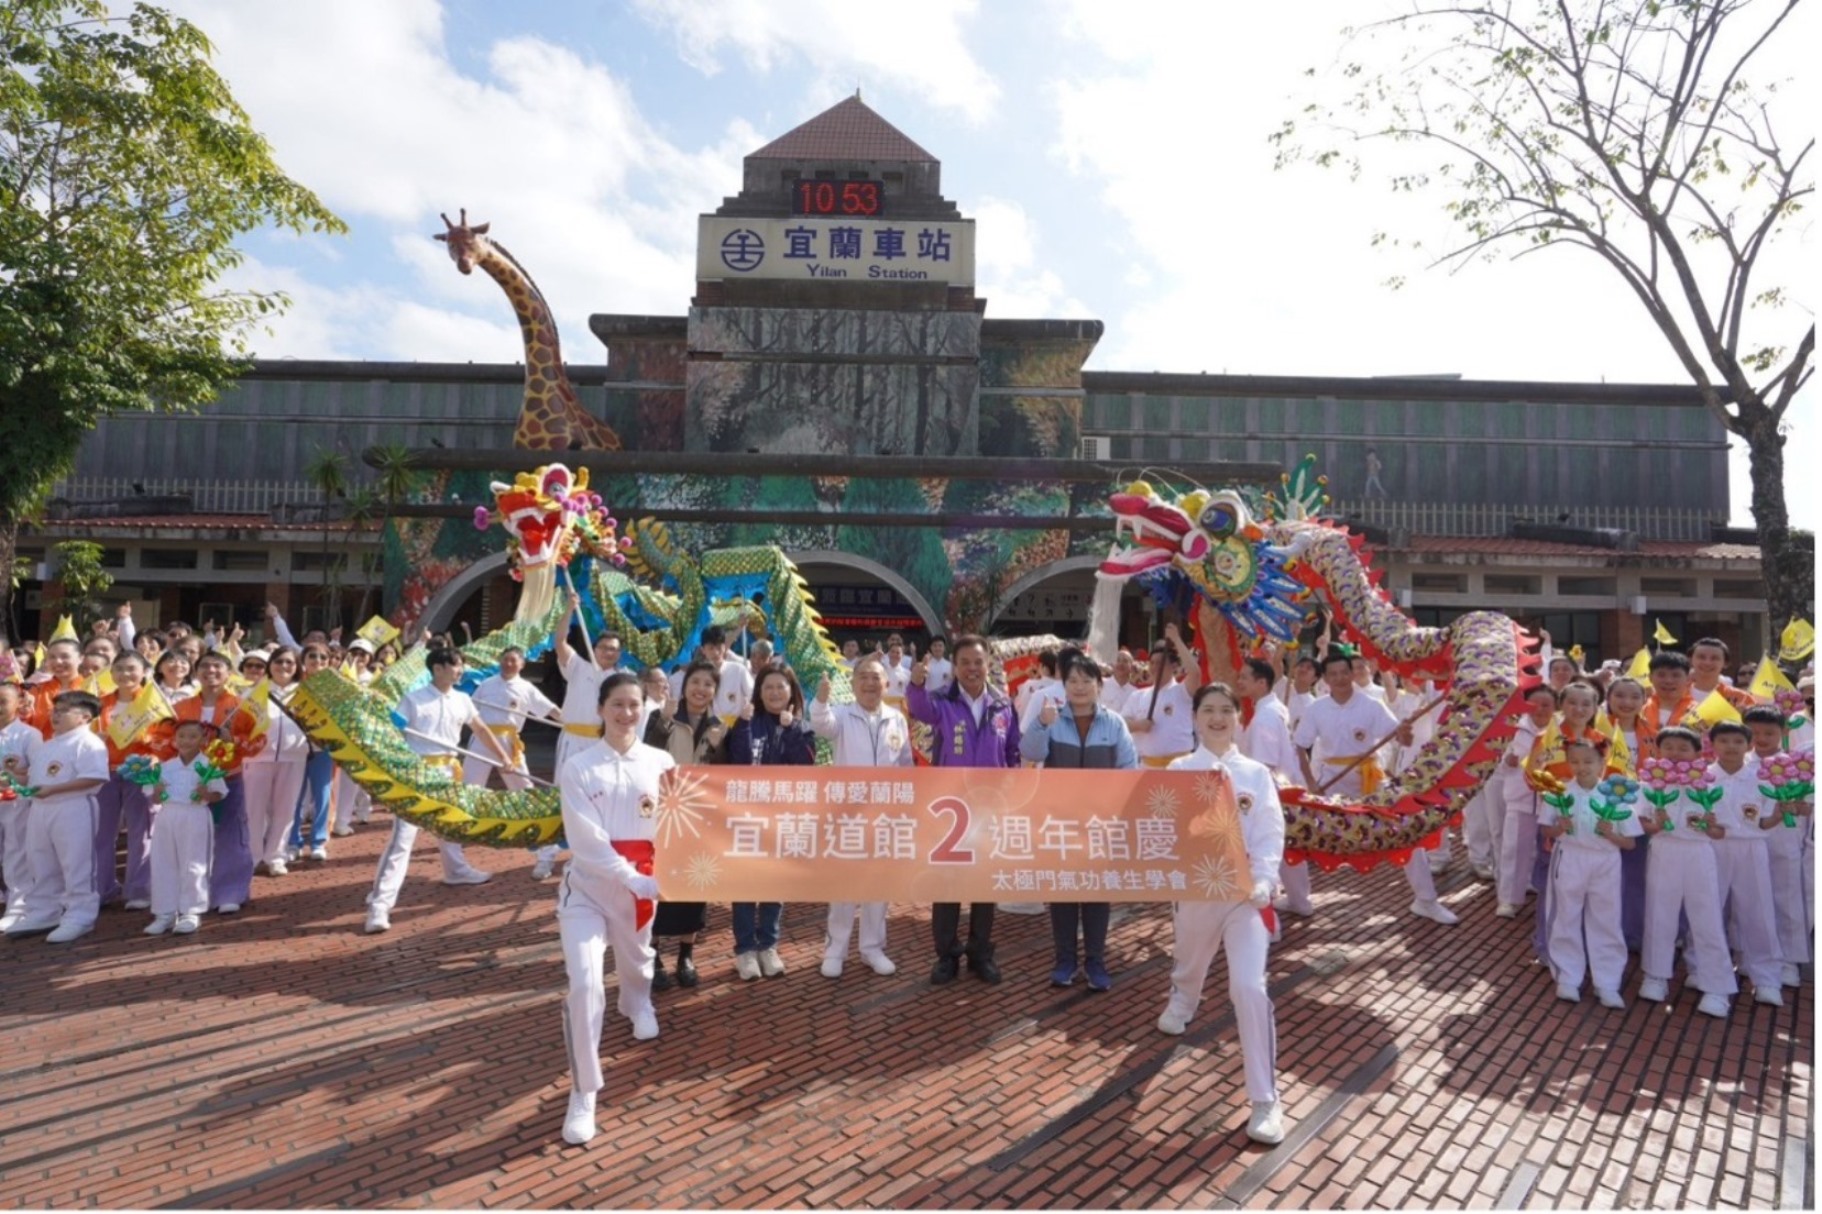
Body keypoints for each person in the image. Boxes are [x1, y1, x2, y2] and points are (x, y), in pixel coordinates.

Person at [1156, 683, 1287, 1146]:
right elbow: (1162, 826)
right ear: (1194, 717)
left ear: (1238, 718)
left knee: (1249, 987)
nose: (1217, 718)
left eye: (1226, 710)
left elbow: (1270, 830)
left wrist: (1264, 879)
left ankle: (1265, 1099)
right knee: (1191, 961)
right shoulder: (1178, 771)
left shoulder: (1256, 774)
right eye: (1208, 710)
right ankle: (1184, 998)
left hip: (1245, 896)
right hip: (1196, 892)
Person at [556, 672, 671, 1146]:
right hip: (587, 890)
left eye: (634, 705)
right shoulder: (579, 767)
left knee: (637, 962)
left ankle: (636, 1002)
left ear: (645, 708)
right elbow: (586, 841)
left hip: (639, 892)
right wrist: (631, 877)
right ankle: (584, 1091)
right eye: (617, 704)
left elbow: (680, 822)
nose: (626, 713)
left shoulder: (662, 763)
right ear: (601, 708)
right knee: (585, 986)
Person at [1288, 649, 1455, 925]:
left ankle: (1426, 901)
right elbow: (1300, 747)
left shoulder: (1371, 705)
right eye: (1333, 674)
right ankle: (1297, 900)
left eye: (1344, 672)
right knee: (1297, 832)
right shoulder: (1316, 709)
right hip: (1331, 783)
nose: (1340, 678)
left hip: (1371, 780)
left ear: (1352, 674)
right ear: (1325, 679)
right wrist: (1311, 783)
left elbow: (1400, 739)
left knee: (1406, 830)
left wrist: (1404, 732)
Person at [362, 648, 512, 934]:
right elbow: (391, 732)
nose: (460, 670)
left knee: (449, 826)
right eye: (455, 665)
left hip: (449, 772)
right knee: (402, 840)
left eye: (461, 665)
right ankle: (379, 905)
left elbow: (481, 729)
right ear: (438, 668)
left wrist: (503, 757)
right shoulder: (413, 699)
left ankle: (456, 871)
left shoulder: (462, 699)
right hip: (416, 774)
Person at [1020, 649, 1138, 990]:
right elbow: (1030, 752)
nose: (1080, 687)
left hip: (1100, 824)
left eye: (1087, 680)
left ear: (1099, 685)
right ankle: (1065, 961)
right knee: (1063, 892)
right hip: (1061, 823)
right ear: (1064, 686)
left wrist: (1115, 809)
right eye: (1072, 681)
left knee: (1097, 894)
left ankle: (1096, 962)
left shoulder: (1114, 724)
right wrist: (1042, 723)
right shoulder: (1052, 718)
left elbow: (1128, 769)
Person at [907, 634, 1021, 984]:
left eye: (978, 662)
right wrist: (916, 684)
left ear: (988, 665)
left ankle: (980, 952)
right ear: (954, 668)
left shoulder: (1003, 705)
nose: (972, 668)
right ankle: (947, 955)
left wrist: (1011, 789)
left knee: (985, 885)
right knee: (948, 885)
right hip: (951, 811)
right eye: (965, 663)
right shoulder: (942, 701)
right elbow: (919, 709)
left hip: (989, 809)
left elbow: (1012, 752)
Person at [808, 655, 908, 979]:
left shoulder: (897, 718)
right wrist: (821, 700)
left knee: (879, 885)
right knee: (844, 887)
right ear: (852, 684)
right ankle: (835, 950)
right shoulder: (841, 714)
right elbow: (821, 725)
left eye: (876, 677)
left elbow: (905, 764)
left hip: (885, 817)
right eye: (863, 676)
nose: (869, 683)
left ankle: (872, 948)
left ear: (886, 684)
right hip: (848, 816)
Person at [148, 651, 266, 915]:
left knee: (230, 834)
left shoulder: (242, 707)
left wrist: (233, 740)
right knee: (188, 838)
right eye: (204, 666)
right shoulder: (180, 708)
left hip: (227, 778)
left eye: (217, 666)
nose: (210, 671)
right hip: (186, 782)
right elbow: (159, 738)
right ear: (196, 672)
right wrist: (178, 749)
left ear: (229, 673)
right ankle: (188, 895)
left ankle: (229, 891)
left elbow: (258, 741)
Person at [642, 659, 728, 988]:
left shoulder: (719, 727)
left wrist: (720, 748)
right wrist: (664, 721)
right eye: (696, 682)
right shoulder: (663, 717)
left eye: (708, 684)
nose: (701, 689)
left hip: (698, 819)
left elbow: (725, 774)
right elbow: (645, 753)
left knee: (694, 885)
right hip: (663, 814)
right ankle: (653, 956)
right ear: (685, 685)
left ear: (715, 691)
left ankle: (685, 956)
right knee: (659, 884)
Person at [726, 665, 816, 979]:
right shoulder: (748, 721)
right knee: (744, 885)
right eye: (768, 687)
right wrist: (743, 724)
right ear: (759, 692)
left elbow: (805, 766)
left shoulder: (801, 726)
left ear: (791, 691)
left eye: (780, 687)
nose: (775, 693)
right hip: (748, 817)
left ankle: (768, 945)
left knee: (774, 884)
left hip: (783, 818)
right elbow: (738, 760)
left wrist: (791, 731)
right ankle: (745, 951)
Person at [1638, 726, 1735, 1017]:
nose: (1675, 753)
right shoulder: (1650, 783)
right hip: (1663, 849)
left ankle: (1716, 987)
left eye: (1683, 748)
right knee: (1659, 914)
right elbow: (1643, 823)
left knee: (1707, 916)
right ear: (1658, 751)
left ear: (1697, 753)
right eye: (1668, 747)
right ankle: (1655, 976)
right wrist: (1656, 824)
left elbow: (1720, 832)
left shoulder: (1709, 785)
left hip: (1698, 852)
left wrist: (1711, 825)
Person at [1541, 738, 1640, 1007]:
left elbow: (1630, 843)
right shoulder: (1558, 792)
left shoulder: (1616, 796)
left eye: (1588, 761)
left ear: (1602, 763)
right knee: (1565, 915)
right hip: (1570, 857)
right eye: (1574, 761)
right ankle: (1568, 977)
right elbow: (1546, 830)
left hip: (1606, 861)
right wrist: (1559, 828)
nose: (1581, 767)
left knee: (1606, 919)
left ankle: (1607, 982)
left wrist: (1611, 835)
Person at [7, 691, 110, 942]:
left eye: (64, 711)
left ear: (85, 716)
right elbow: (32, 778)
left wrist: (54, 790)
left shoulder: (89, 743)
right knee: (40, 861)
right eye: (55, 710)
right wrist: (10, 778)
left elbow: (94, 777)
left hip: (73, 807)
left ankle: (80, 916)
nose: (56, 715)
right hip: (41, 808)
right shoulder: (49, 744)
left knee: (76, 863)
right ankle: (44, 911)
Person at [1705, 720, 1784, 1007]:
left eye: (1738, 741)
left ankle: (1767, 978)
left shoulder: (1762, 778)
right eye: (1724, 741)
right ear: (1712, 744)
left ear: (1749, 745)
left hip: (1752, 847)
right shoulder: (1702, 778)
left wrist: (1781, 813)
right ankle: (1701, 969)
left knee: (1758, 911)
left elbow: (1764, 821)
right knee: (1708, 909)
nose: (1731, 747)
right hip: (1712, 847)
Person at [463, 646, 560, 876]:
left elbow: (550, 709)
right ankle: (462, 828)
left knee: (523, 788)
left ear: (522, 664)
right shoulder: (486, 684)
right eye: (505, 659)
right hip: (483, 739)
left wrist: (574, 724)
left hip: (509, 741)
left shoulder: (526, 688)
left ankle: (534, 827)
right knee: (469, 785)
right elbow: (468, 711)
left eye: (513, 660)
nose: (508, 664)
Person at [550, 593, 624, 875]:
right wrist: (569, 609)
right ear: (595, 648)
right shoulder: (578, 667)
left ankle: (590, 855)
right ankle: (547, 854)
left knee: (598, 798)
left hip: (602, 743)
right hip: (572, 740)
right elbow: (560, 642)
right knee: (562, 796)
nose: (609, 653)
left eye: (614, 649)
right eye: (604, 647)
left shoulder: (621, 678)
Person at [144, 719, 228, 936]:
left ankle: (191, 912)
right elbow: (154, 798)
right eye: (181, 736)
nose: (186, 741)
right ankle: (165, 913)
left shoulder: (208, 766)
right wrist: (157, 792)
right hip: (167, 815)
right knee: (163, 863)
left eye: (192, 736)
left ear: (203, 740)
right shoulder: (165, 767)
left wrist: (205, 794)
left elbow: (219, 794)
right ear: (174, 740)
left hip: (195, 815)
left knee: (194, 863)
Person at [1745, 705, 1808, 987]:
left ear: (1783, 731)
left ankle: (1788, 959)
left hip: (1785, 837)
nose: (1761, 738)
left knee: (1786, 895)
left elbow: (1809, 804)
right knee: (1748, 896)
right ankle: (1746, 952)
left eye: (1769, 733)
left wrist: (1800, 806)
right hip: (1747, 838)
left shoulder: (1798, 766)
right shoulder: (1739, 763)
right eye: (1754, 732)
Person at [242, 647, 308, 879]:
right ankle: (252, 856)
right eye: (279, 661)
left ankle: (276, 856)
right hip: (257, 757)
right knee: (253, 809)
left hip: (294, 757)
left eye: (290, 662)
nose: (284, 666)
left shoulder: (305, 695)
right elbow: (240, 723)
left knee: (285, 809)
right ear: (270, 665)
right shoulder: (253, 692)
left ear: (297, 667)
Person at [1495, 685, 1558, 917]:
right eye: (1535, 704)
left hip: (1550, 801)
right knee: (1514, 849)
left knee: (1550, 850)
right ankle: (1508, 899)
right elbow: (1498, 762)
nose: (1540, 709)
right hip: (1519, 799)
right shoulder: (1513, 729)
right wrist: (1507, 761)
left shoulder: (1561, 730)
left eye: (1546, 705)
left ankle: (1544, 890)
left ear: (1555, 707)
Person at [1604, 676, 1650, 948]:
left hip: (1640, 816)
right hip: (1604, 813)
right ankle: (1603, 936)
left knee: (1635, 877)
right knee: (1603, 879)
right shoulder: (1597, 731)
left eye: (1634, 697)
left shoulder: (1653, 734)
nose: (1627, 702)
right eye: (1620, 695)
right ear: (1608, 698)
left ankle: (1632, 933)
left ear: (1644, 701)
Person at [1121, 625, 1199, 768]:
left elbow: (1195, 672)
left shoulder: (1182, 691)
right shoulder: (1138, 696)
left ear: (1174, 666)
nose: (1155, 667)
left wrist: (1176, 639)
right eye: (1152, 663)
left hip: (1180, 766)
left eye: (1160, 663)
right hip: (1147, 766)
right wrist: (1138, 725)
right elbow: (1121, 723)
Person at [0, 684, 39, 930]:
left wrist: (14, 777)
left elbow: (37, 771)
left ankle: (19, 905)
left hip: (15, 803)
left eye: (3, 701)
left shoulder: (28, 735)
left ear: (18, 703)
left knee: (16, 852)